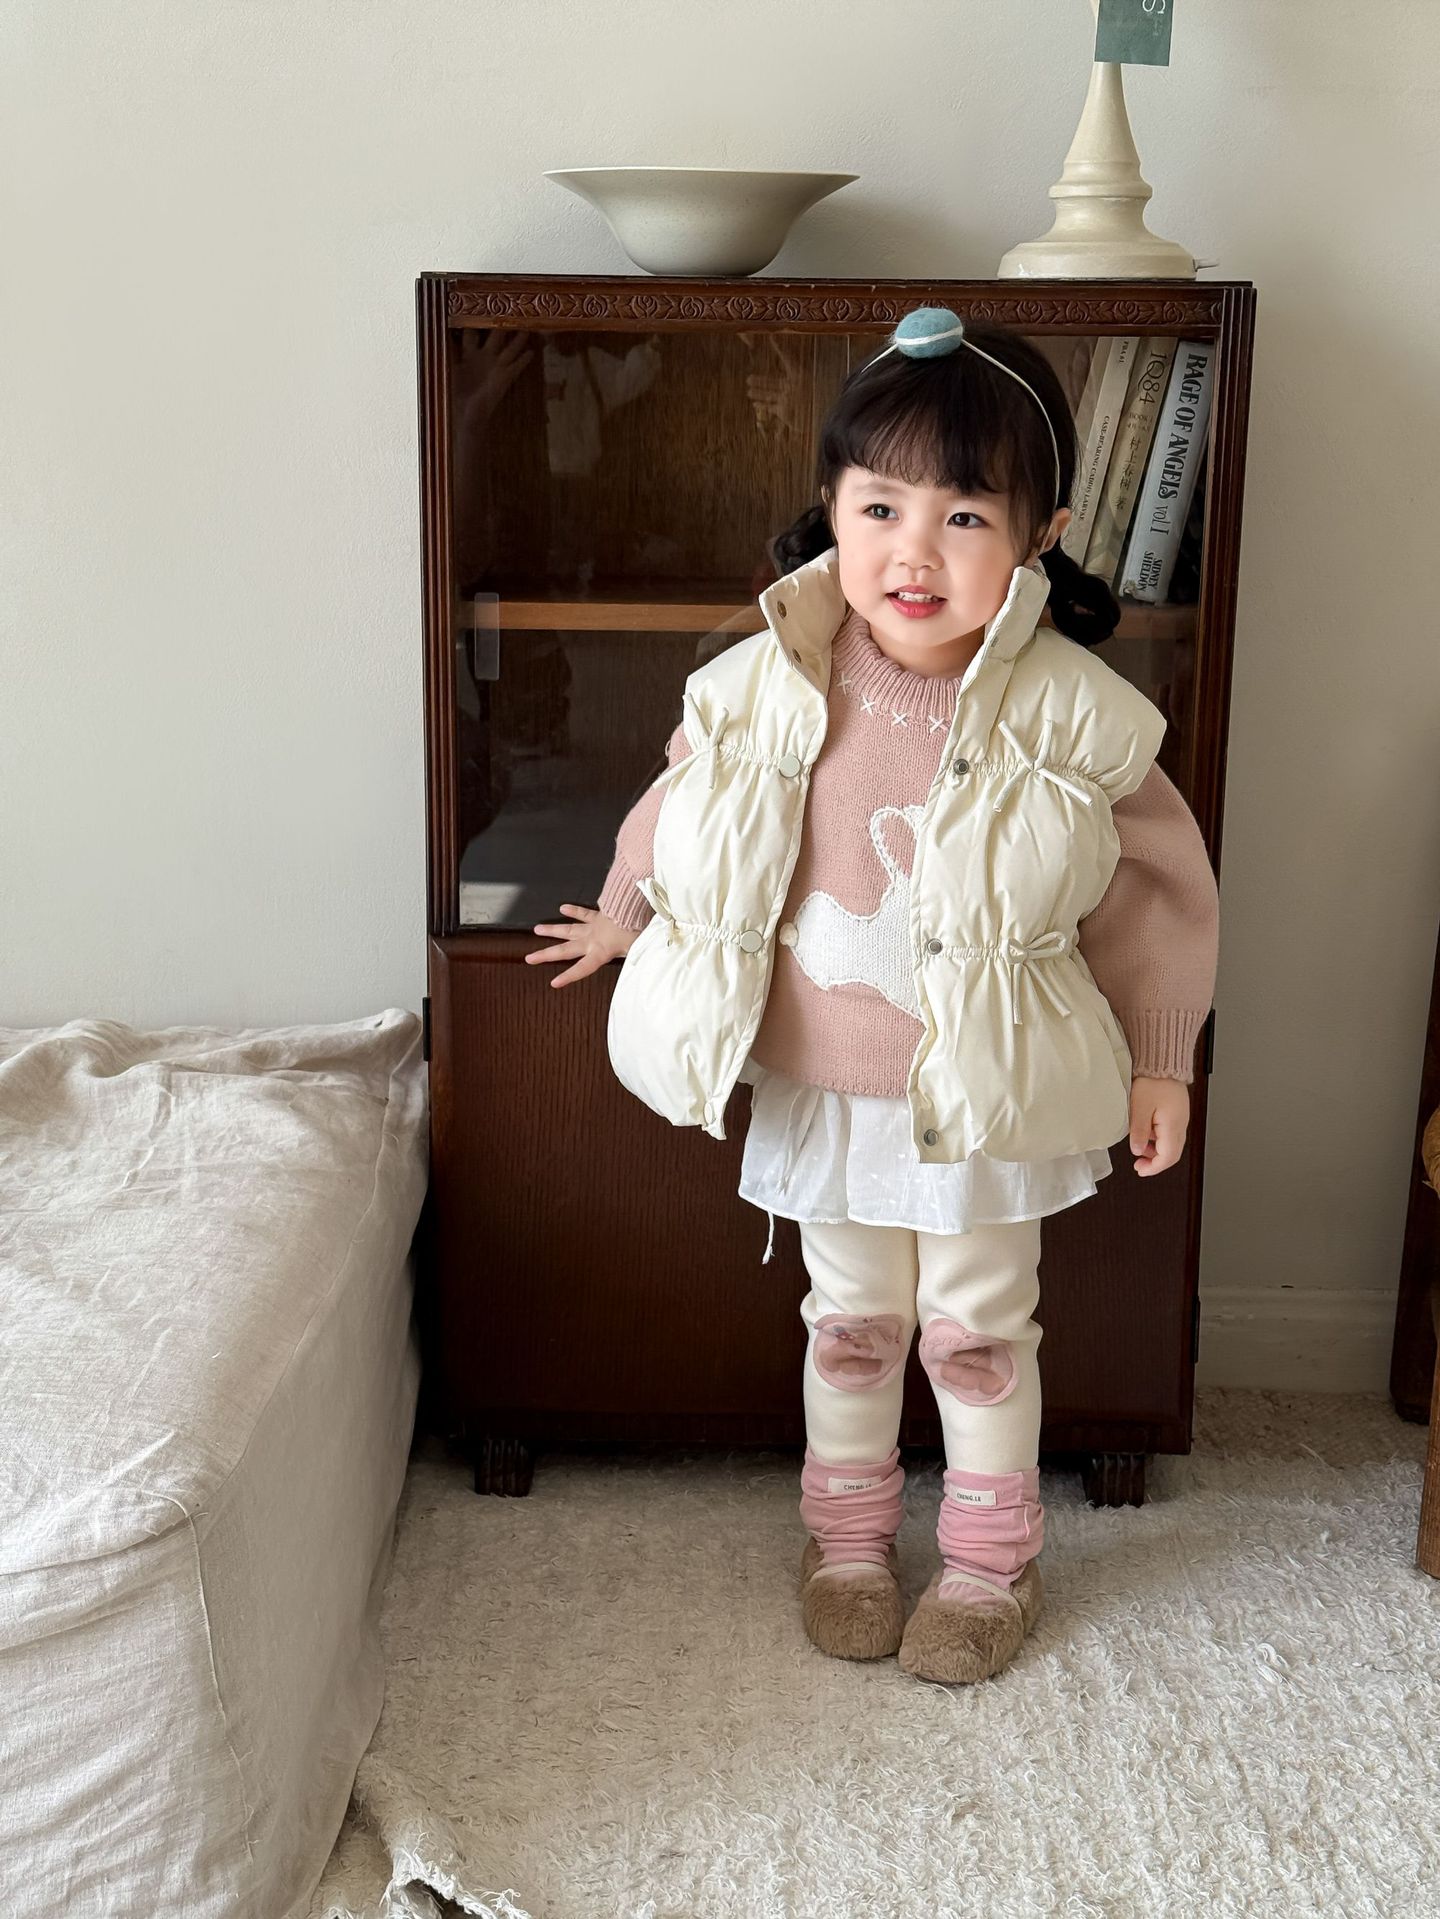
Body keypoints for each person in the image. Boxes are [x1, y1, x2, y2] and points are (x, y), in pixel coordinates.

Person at [526, 308, 1220, 1687]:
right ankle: (845, 1544)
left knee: (977, 1333)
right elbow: (689, 802)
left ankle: (988, 1566)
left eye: (964, 516)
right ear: (833, 512)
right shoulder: (769, 679)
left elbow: (1157, 890)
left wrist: (1161, 1054)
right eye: (881, 507)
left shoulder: (1074, 713)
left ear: (1039, 536)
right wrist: (628, 909)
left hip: (989, 1092)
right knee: (849, 1325)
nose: (916, 551)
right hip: (828, 1083)